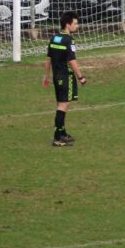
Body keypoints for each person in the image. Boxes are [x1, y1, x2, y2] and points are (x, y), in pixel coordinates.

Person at [42, 11, 87, 147]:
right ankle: (57, 138)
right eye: (75, 23)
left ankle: (62, 133)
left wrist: (46, 76)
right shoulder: (69, 40)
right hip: (66, 77)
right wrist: (81, 77)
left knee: (61, 105)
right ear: (67, 25)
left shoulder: (54, 38)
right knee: (63, 106)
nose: (77, 26)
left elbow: (48, 59)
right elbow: (72, 60)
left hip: (56, 77)